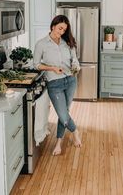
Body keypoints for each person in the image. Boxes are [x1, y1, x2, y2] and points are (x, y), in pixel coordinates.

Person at [33, 15, 82, 156]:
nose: (61, 32)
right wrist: (52, 68)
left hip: (70, 80)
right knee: (63, 114)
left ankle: (58, 142)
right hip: (54, 83)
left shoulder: (67, 42)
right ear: (53, 25)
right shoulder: (41, 44)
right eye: (60, 28)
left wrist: (75, 66)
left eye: (64, 30)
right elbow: (36, 65)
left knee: (64, 112)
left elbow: (75, 60)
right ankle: (75, 131)